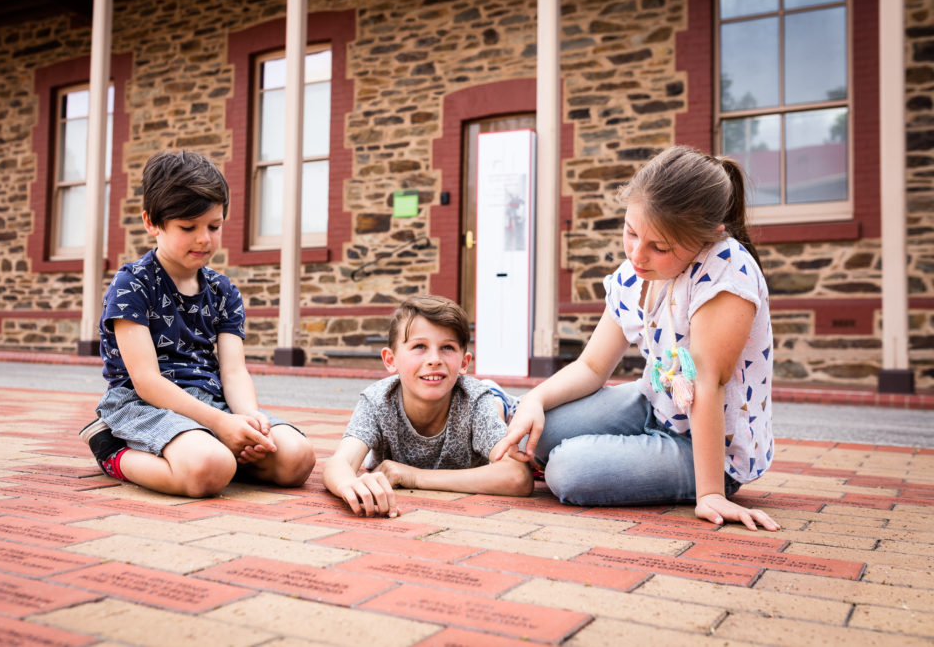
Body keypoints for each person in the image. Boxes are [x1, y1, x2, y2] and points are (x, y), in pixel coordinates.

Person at [492, 146, 779, 531]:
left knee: (567, 470)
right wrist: (533, 400)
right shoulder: (634, 273)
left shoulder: (727, 268)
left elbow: (707, 380)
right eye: (630, 232)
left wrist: (711, 494)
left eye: (659, 247)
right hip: (654, 405)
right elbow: (592, 366)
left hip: (708, 449)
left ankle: (695, 478)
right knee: (536, 430)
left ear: (709, 236)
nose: (637, 254)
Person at [79, 150, 316, 497]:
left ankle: (214, 454)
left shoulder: (223, 291)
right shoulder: (132, 285)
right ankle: (113, 453)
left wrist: (247, 419)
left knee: (297, 459)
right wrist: (221, 424)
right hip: (146, 405)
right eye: (188, 227)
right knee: (209, 469)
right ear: (151, 222)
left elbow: (233, 372)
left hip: (212, 402)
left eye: (214, 226)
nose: (204, 238)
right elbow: (146, 382)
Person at [323, 295, 533, 517]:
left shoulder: (474, 400)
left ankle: (499, 399)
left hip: (490, 398)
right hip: (454, 389)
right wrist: (348, 485)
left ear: (464, 363)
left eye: (447, 347)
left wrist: (413, 476)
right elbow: (338, 463)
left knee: (495, 405)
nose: (434, 359)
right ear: (390, 360)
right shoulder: (378, 400)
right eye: (419, 346)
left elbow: (517, 477)